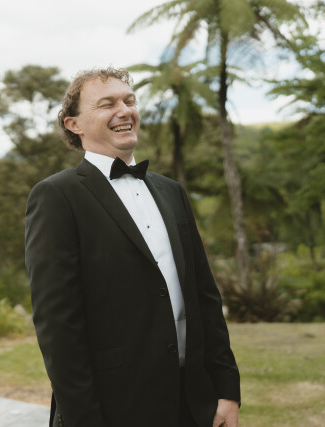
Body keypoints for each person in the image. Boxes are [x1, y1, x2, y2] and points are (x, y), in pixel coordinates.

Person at [24, 67, 240, 427]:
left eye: (129, 101)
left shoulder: (172, 191)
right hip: (114, 408)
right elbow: (58, 328)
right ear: (73, 124)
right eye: (107, 104)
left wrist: (227, 390)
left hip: (193, 402)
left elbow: (205, 296)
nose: (124, 111)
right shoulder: (55, 196)